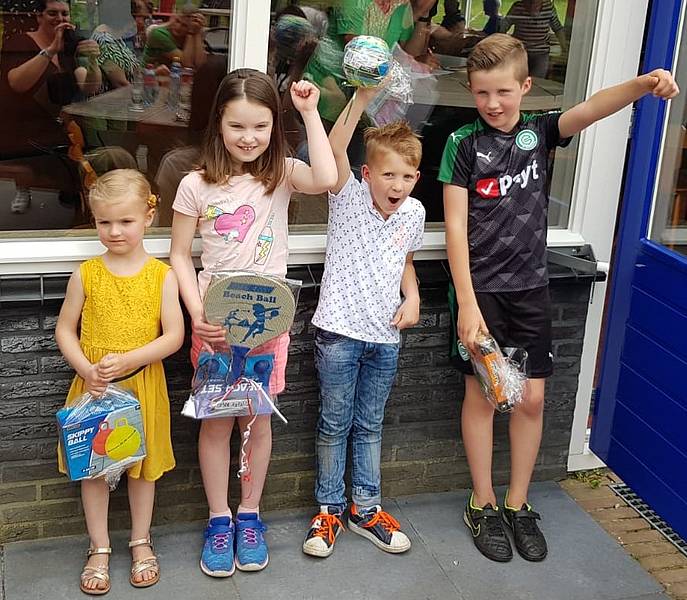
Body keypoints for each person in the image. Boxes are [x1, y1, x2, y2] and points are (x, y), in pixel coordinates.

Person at [439, 34, 678, 563]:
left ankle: (517, 504)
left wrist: (644, 84)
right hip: (481, 293)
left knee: (531, 399)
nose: (493, 103)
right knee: (482, 397)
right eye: (481, 92)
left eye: (503, 91)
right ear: (471, 90)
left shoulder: (539, 132)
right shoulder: (461, 143)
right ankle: (482, 503)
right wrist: (468, 302)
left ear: (526, 86)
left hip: (531, 289)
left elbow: (593, 108)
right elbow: (455, 227)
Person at [169, 69, 337, 576]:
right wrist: (197, 314)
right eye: (237, 125)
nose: (249, 137)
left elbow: (326, 178)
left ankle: (250, 515)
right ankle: (218, 519)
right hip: (216, 330)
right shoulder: (195, 184)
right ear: (218, 123)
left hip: (268, 326)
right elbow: (179, 256)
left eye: (261, 126)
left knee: (258, 421)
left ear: (274, 127)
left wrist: (310, 113)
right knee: (217, 422)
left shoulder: (281, 173)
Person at [302, 87, 426, 558]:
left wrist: (413, 296)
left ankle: (366, 510)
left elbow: (405, 261)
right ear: (368, 173)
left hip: (385, 337)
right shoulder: (348, 198)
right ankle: (329, 510)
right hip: (338, 334)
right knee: (335, 424)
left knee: (370, 426)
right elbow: (334, 148)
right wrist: (360, 97)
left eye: (407, 176)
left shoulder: (413, 213)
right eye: (389, 174)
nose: (398, 185)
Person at [55, 169, 184, 594]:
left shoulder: (162, 276)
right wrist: (85, 369)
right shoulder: (86, 274)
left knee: (142, 470)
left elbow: (174, 336)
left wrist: (129, 359)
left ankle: (140, 540)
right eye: (104, 222)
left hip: (141, 387)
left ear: (149, 216)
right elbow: (65, 330)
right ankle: (99, 547)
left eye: (125, 221)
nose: (114, 231)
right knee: (94, 469)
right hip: (94, 389)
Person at [0, 0, 101, 214]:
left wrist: (92, 61)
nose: (60, 19)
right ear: (39, 17)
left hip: (57, 127)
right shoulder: (20, 42)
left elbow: (89, 86)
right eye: (52, 13)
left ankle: (77, 206)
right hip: (23, 128)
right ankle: (25, 187)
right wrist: (50, 50)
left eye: (65, 13)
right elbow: (16, 83)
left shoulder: (68, 49)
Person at [500, 0, 566, 78]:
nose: (532, 5)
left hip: (541, 53)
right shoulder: (517, 7)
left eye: (535, 2)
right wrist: (501, 46)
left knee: (537, 80)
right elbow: (504, 26)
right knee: (517, 77)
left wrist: (564, 48)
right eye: (529, 2)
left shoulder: (548, 7)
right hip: (520, 52)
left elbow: (557, 28)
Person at [142, 3, 207, 69]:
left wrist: (198, 32)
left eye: (185, 25)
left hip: (172, 73)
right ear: (173, 17)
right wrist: (191, 33)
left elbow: (199, 64)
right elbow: (187, 64)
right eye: (177, 21)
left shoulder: (192, 32)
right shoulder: (159, 33)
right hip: (148, 73)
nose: (178, 27)